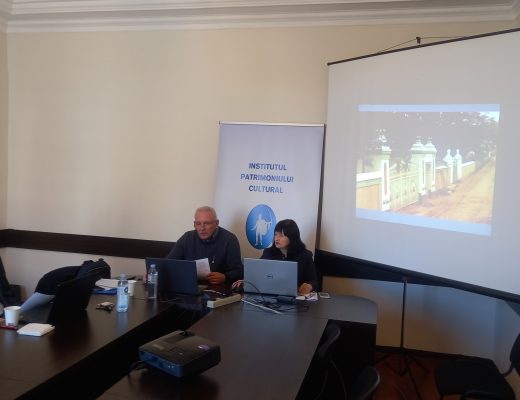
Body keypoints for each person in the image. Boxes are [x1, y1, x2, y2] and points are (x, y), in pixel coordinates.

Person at [166, 206, 243, 285]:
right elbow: (168, 263)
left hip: (217, 287)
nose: (202, 228)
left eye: (207, 223)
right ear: (194, 224)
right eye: (198, 224)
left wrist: (225, 277)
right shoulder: (187, 237)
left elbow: (239, 271)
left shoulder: (229, 239)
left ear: (216, 223)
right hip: (189, 284)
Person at [260, 219, 318, 295]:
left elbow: (314, 281)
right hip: (270, 295)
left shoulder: (305, 255)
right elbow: (259, 274)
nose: (277, 239)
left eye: (281, 235)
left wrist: (309, 286)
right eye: (275, 234)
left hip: (295, 297)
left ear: (292, 237)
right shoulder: (268, 253)